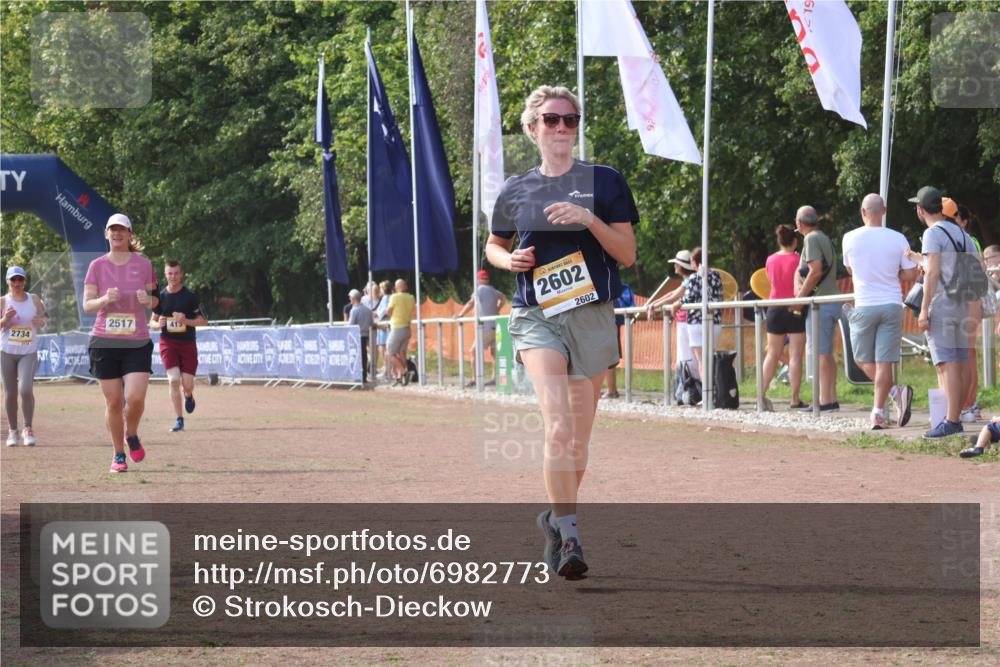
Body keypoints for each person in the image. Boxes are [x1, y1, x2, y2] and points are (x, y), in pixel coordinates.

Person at [486, 85, 638, 579]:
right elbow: (493, 246)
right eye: (551, 120)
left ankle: (554, 517)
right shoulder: (516, 189)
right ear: (532, 129)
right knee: (559, 427)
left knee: (579, 441)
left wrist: (588, 218)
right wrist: (509, 259)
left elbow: (627, 254)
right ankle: (570, 535)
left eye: (570, 120)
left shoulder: (605, 181)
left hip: (592, 314)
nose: (561, 129)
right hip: (537, 316)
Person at [82, 214, 158, 472]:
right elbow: (87, 305)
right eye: (112, 230)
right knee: (114, 402)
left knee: (134, 398)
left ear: (129, 234)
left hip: (136, 341)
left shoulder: (144, 264)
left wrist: (146, 299)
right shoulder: (97, 266)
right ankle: (118, 455)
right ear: (106, 234)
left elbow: (157, 300)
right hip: (104, 341)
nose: (117, 234)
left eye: (121, 230)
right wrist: (104, 299)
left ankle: (132, 433)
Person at [909, 186, 983, 439]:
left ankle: (951, 421)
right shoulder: (962, 234)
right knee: (960, 362)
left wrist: (924, 309)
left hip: (942, 303)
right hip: (963, 303)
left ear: (920, 209)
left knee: (947, 363)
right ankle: (956, 414)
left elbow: (933, 272)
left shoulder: (932, 234)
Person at [841, 194, 918, 430]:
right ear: (883, 210)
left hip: (864, 303)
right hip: (892, 304)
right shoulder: (898, 238)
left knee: (862, 359)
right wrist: (892, 273)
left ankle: (895, 394)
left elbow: (851, 270)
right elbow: (910, 275)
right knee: (884, 361)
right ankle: (879, 411)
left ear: (863, 212)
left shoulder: (849, 238)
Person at [791, 205, 840, 412]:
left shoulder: (810, 239)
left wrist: (799, 299)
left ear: (799, 223)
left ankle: (823, 401)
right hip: (831, 301)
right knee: (826, 354)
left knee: (820, 354)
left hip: (820, 303)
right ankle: (829, 398)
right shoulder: (822, 237)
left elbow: (815, 271)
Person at [150, 260, 208, 433]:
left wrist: (186, 320)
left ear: (181, 274)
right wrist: (157, 324)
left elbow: (204, 321)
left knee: (187, 384)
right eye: (170, 273)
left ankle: (188, 395)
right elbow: (151, 322)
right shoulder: (160, 297)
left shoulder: (191, 296)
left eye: (176, 273)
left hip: (187, 343)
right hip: (168, 343)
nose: (173, 277)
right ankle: (179, 420)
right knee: (174, 380)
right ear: (165, 274)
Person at [945, 199, 984, 423]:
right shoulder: (958, 239)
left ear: (964, 221)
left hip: (967, 302)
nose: (953, 221)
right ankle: (966, 405)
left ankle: (971, 404)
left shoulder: (969, 240)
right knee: (962, 356)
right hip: (962, 302)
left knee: (968, 355)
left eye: (956, 217)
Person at [759, 225, 806, 411]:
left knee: (772, 353)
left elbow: (771, 281)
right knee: (795, 356)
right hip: (795, 306)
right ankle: (794, 398)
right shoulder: (799, 259)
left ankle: (760, 394)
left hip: (775, 308)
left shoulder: (770, 260)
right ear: (795, 241)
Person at [1, 266, 45, 446]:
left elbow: (45, 318)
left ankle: (28, 428)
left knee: (25, 389)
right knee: (10, 393)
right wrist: (5, 320)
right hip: (6, 352)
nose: (17, 283)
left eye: (20, 280)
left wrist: (41, 322)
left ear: (24, 281)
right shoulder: (3, 301)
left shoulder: (34, 299)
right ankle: (13, 431)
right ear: (8, 282)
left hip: (28, 351)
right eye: (13, 280)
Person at [669, 247, 722, 383]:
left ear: (694, 262)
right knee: (709, 358)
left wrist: (677, 304)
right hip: (715, 321)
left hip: (697, 323)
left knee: (701, 360)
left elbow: (689, 297)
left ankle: (706, 393)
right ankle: (713, 390)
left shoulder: (695, 277)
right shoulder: (716, 276)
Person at [645, 250, 696, 376]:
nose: (674, 266)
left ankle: (690, 384)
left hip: (688, 321)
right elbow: (672, 294)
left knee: (687, 356)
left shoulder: (690, 280)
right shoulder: (688, 280)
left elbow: (674, 297)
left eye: (676, 264)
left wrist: (654, 305)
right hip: (686, 321)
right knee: (686, 355)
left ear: (682, 266)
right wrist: (653, 303)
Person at [455, 269, 506, 386]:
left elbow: (471, 303)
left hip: (485, 327)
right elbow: (503, 297)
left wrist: (460, 314)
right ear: (487, 279)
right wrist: (497, 309)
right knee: (494, 353)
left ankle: (475, 379)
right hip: (496, 325)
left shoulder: (480, 289)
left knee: (473, 351)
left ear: (478, 279)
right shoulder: (493, 290)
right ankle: (495, 378)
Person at [602, 282, 635, 399]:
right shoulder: (621, 287)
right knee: (605, 357)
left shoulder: (617, 286)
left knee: (607, 357)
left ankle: (611, 390)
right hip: (609, 322)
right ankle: (610, 389)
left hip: (607, 322)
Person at [385, 279, 415, 386]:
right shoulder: (411, 297)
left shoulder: (394, 297)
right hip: (407, 328)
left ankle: (403, 371)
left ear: (396, 287)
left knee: (389, 353)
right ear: (405, 286)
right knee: (402, 352)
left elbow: (388, 311)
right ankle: (402, 377)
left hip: (397, 328)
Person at [347, 288, 373, 383]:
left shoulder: (354, 310)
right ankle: (364, 376)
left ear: (353, 298)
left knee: (357, 356)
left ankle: (358, 376)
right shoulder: (367, 310)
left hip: (357, 336)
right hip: (366, 335)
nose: (350, 299)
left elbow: (351, 324)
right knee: (364, 355)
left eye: (350, 298)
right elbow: (371, 323)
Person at [374, 280, 392, 381]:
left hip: (384, 326)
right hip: (386, 325)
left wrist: (374, 314)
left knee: (384, 348)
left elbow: (383, 311)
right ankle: (388, 370)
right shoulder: (389, 297)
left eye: (380, 288)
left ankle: (386, 371)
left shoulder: (386, 298)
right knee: (385, 348)